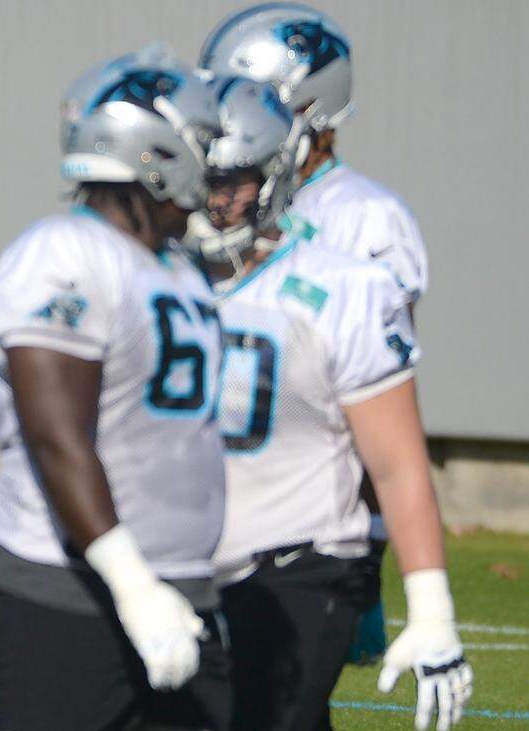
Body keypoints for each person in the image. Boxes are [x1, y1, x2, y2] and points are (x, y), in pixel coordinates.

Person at [184, 75, 472, 731]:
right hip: (193, 561)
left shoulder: (345, 286)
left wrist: (431, 611)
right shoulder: (159, 279)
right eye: (206, 179)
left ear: (275, 175)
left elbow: (398, 464)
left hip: (304, 562)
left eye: (236, 180)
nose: (218, 200)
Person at [0, 47, 230, 731]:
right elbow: (59, 437)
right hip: (73, 586)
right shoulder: (63, 254)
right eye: (200, 144)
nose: (210, 163)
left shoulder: (174, 262)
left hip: (178, 583)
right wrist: (133, 587)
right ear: (154, 152)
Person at [198, 1, 431, 667]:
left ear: (308, 107)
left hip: (313, 522)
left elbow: (379, 387)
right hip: (214, 504)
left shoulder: (366, 218)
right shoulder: (215, 202)